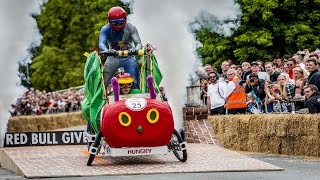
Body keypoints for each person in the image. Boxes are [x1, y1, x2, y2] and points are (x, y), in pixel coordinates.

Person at [99, 6, 142, 90]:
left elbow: (138, 43)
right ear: (109, 20)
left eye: (120, 22)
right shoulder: (105, 29)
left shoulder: (131, 28)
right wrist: (106, 50)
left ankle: (137, 96)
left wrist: (135, 49)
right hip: (112, 57)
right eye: (114, 22)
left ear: (125, 19)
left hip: (128, 57)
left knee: (135, 81)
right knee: (104, 82)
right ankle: (100, 97)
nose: (118, 25)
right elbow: (101, 43)